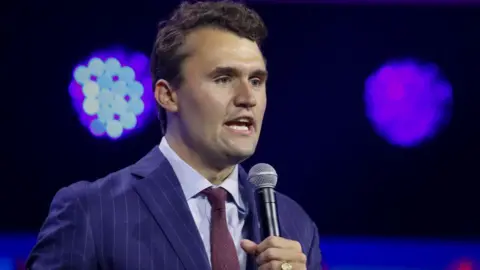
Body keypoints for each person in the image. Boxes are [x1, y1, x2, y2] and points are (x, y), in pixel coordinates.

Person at [26, 1, 322, 269]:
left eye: (256, 80)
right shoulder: (91, 212)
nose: (248, 98)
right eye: (223, 78)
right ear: (168, 95)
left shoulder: (294, 224)